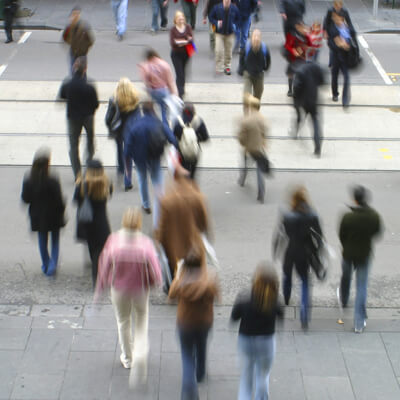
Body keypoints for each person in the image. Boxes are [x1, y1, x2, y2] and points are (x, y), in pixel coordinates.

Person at [95, 208, 162, 378]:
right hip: (140, 289)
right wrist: (155, 284)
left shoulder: (113, 240)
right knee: (141, 318)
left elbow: (103, 267)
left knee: (123, 321)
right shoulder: (145, 243)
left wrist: (99, 290)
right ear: (139, 222)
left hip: (119, 289)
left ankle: (128, 358)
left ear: (124, 221)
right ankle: (140, 351)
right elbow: (155, 270)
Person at [169, 245, 220, 400]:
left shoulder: (181, 281)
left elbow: (171, 296)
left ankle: (189, 390)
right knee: (202, 346)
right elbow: (217, 297)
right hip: (204, 321)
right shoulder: (209, 280)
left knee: (187, 355)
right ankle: (200, 373)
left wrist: (178, 275)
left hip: (185, 322)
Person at [231, 262, 283, 400]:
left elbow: (234, 317)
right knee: (263, 375)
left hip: (246, 340)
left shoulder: (244, 297)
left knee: (246, 377)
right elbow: (280, 315)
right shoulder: (275, 300)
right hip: (266, 342)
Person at [273, 186, 323, 329]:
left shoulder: (287, 216)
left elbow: (279, 235)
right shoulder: (312, 215)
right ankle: (304, 315)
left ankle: (287, 296)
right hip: (305, 253)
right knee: (305, 282)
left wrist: (275, 251)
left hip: (290, 252)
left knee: (287, 275)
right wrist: (318, 252)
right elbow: (319, 237)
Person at [124, 101, 178, 225]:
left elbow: (127, 149)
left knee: (142, 180)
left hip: (140, 160)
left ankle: (146, 205)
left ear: (143, 111)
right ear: (153, 110)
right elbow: (173, 140)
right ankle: (159, 216)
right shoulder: (159, 124)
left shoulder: (136, 126)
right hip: (155, 158)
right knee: (158, 185)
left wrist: (127, 170)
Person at [338, 186, 382, 333]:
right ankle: (358, 323)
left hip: (348, 254)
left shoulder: (348, 217)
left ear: (355, 199)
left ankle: (343, 300)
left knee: (346, 277)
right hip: (364, 255)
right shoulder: (374, 216)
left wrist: (347, 244)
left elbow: (341, 235)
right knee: (361, 287)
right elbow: (377, 232)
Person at [156, 160, 210, 280]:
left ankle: (178, 290)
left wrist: (158, 242)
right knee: (196, 274)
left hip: (174, 246)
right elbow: (203, 222)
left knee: (177, 274)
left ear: (175, 178)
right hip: (193, 243)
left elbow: (162, 226)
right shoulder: (198, 197)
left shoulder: (167, 200)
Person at [21, 148, 66, 276]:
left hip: (37, 215)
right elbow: (59, 198)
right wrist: (62, 209)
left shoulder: (29, 180)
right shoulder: (53, 179)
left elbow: (25, 199)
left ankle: (46, 264)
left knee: (42, 239)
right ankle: (53, 265)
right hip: (54, 214)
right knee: (55, 240)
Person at [74, 159, 113, 286]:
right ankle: (100, 274)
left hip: (87, 223)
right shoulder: (106, 183)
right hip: (101, 223)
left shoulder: (82, 184)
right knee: (100, 251)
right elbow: (108, 196)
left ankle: (96, 278)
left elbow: (76, 201)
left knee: (92, 249)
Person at [59, 56, 99, 180]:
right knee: (90, 141)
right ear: (85, 69)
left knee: (73, 146)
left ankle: (77, 174)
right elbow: (95, 104)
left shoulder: (67, 84)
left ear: (74, 67)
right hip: (88, 117)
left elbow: (62, 96)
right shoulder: (90, 86)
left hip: (72, 118)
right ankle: (89, 163)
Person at [105, 77, 141, 191]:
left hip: (118, 129)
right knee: (128, 154)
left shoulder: (114, 99)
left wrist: (109, 126)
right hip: (130, 130)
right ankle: (127, 180)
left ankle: (120, 169)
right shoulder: (135, 99)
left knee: (119, 149)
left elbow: (108, 118)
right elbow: (139, 117)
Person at [237, 95, 268, 204]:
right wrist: (264, 143)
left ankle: (242, 179)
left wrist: (243, 143)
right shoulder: (262, 119)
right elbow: (265, 133)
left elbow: (241, 137)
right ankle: (261, 193)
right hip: (259, 148)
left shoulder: (246, 120)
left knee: (245, 164)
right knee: (259, 170)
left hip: (248, 149)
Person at [291, 61, 324, 157]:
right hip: (314, 98)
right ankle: (317, 147)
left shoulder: (300, 71)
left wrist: (295, 99)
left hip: (303, 101)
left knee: (299, 116)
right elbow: (321, 82)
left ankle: (295, 132)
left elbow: (296, 87)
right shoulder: (317, 68)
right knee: (315, 122)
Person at [139, 48, 178, 124]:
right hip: (163, 90)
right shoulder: (164, 64)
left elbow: (146, 81)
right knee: (164, 111)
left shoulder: (145, 66)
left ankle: (154, 124)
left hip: (153, 91)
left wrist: (149, 89)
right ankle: (164, 127)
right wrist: (175, 94)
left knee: (154, 109)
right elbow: (170, 82)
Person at [326, 9, 356, 108]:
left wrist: (347, 46)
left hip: (345, 58)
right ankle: (335, 93)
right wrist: (339, 45)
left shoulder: (348, 29)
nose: (336, 20)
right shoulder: (332, 29)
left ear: (342, 19)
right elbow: (330, 43)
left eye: (337, 18)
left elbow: (354, 42)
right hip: (335, 57)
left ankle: (345, 100)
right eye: (334, 18)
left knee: (346, 78)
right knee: (335, 76)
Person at [173, 103, 210, 179]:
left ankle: (184, 187)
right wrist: (196, 140)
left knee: (183, 174)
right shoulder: (198, 120)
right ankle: (191, 184)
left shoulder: (177, 121)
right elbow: (206, 138)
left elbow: (173, 137)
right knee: (192, 175)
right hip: (194, 152)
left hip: (182, 152)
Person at [238, 29, 270, 112]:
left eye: (258, 36)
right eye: (254, 36)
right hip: (248, 74)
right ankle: (246, 115)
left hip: (259, 75)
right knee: (247, 95)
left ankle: (255, 114)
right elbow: (241, 58)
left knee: (257, 97)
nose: (256, 38)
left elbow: (268, 59)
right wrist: (241, 69)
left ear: (260, 38)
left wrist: (265, 68)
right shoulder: (247, 47)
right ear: (251, 38)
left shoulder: (264, 48)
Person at [209, 0, 240, 76]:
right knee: (219, 50)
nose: (227, 1)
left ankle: (227, 66)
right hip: (219, 33)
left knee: (228, 52)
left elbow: (238, 19)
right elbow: (211, 17)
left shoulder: (234, 8)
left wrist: (235, 25)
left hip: (230, 34)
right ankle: (219, 67)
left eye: (228, 0)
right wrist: (216, 23)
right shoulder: (217, 8)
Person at [62, 6, 95, 74]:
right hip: (73, 52)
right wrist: (71, 43)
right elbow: (65, 37)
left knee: (82, 72)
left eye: (77, 14)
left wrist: (85, 48)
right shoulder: (69, 27)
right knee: (73, 71)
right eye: (74, 14)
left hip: (82, 53)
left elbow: (91, 40)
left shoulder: (84, 26)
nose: (75, 16)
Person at [284, 20, 311, 96]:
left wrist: (307, 44)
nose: (303, 29)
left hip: (302, 57)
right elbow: (287, 45)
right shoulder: (292, 35)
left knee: (301, 73)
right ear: (297, 27)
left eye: (303, 27)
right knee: (291, 73)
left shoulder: (306, 36)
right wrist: (293, 51)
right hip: (293, 58)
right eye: (301, 27)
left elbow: (309, 44)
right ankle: (290, 90)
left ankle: (300, 89)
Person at [170, 11, 193, 99]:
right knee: (179, 74)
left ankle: (180, 89)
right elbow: (173, 43)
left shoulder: (187, 27)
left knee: (183, 73)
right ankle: (180, 94)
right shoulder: (173, 29)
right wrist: (185, 40)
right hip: (176, 54)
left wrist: (181, 41)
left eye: (182, 18)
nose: (181, 20)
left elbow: (191, 40)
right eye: (179, 18)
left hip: (186, 54)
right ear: (175, 20)